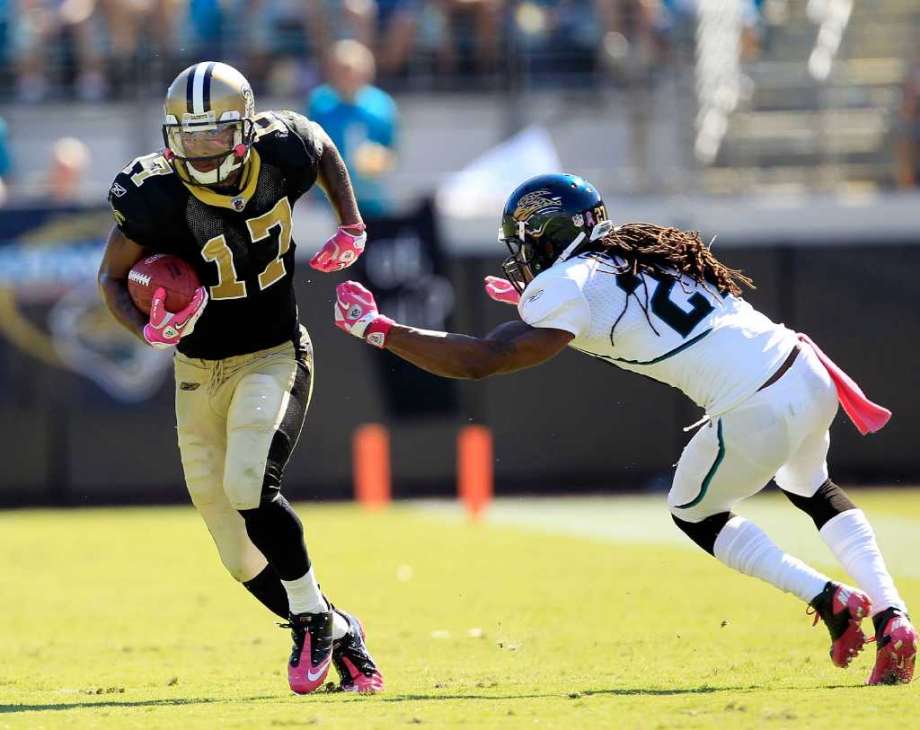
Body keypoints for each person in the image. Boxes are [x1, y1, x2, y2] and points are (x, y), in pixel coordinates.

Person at [332, 172, 917, 686]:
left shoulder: (567, 284)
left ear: (547, 238)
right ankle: (893, 617)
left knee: (694, 511)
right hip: (804, 370)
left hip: (753, 401)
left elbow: (486, 358)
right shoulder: (639, 251)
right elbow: (618, 310)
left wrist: (382, 329)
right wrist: (536, 302)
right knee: (813, 487)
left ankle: (831, 600)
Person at [98, 61, 383, 695]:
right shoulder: (151, 192)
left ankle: (309, 619)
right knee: (235, 551)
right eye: (187, 135)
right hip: (196, 372)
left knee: (250, 483)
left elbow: (326, 146)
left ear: (245, 129)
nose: (199, 149)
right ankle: (339, 627)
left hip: (272, 354)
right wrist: (146, 332)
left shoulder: (282, 150)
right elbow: (111, 279)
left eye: (213, 134)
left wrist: (351, 222)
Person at [308, 39, 397, 218]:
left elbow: (390, 150)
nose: (345, 76)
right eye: (338, 70)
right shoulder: (319, 103)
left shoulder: (382, 106)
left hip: (370, 199)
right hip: (328, 200)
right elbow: (308, 149)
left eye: (349, 70)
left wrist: (379, 159)